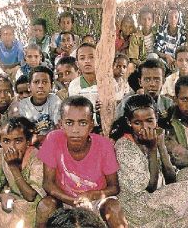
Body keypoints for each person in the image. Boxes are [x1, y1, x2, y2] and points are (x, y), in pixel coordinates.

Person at [111, 94, 188, 227]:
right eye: (137, 123)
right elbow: (150, 188)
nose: (144, 127)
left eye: (149, 120)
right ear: (129, 122)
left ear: (156, 118)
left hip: (159, 195)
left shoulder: (156, 136)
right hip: (139, 207)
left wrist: (161, 146)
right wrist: (152, 148)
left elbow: (171, 178)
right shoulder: (124, 146)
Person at [36, 96, 127, 228]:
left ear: (91, 125)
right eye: (69, 123)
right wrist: (74, 201)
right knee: (45, 206)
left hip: (95, 200)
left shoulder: (104, 145)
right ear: (60, 124)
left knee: (114, 208)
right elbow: (48, 184)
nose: (75, 129)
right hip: (64, 199)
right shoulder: (53, 139)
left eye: (83, 123)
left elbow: (114, 187)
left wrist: (90, 195)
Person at [0, 117, 46, 227]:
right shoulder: (1, 153)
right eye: (6, 141)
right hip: (14, 199)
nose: (12, 147)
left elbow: (31, 196)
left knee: (22, 210)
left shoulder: (36, 156)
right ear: (0, 142)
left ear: (27, 142)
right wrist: (2, 197)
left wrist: (13, 167)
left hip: (33, 203)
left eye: (18, 141)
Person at [17, 66, 61, 138]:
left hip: (53, 140)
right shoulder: (23, 104)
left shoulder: (55, 100)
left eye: (45, 82)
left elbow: (58, 128)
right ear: (29, 86)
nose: (40, 86)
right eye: (36, 82)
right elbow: (26, 132)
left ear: (51, 86)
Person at [153, 6, 186, 73]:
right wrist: (167, 56)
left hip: (176, 61)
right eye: (170, 17)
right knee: (152, 56)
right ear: (167, 18)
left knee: (179, 66)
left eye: (176, 17)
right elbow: (156, 50)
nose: (173, 19)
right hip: (162, 59)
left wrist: (174, 60)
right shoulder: (162, 30)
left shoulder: (182, 33)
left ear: (179, 19)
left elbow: (182, 51)